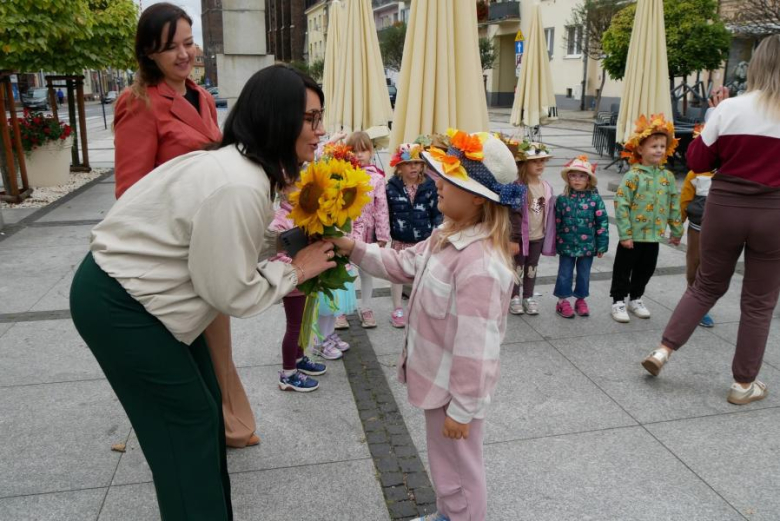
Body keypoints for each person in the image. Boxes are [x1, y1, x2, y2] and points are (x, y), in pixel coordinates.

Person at [69, 65, 336, 520]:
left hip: (134, 299)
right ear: (278, 119)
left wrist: (290, 240)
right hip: (121, 304)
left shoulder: (241, 167)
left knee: (206, 411)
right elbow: (231, 292)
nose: (321, 130)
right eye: (311, 119)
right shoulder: (238, 184)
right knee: (187, 425)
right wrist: (297, 271)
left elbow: (223, 242)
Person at [329, 130, 525, 521]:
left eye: (447, 180)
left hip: (455, 392)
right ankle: (448, 513)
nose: (436, 184)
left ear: (475, 198)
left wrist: (464, 409)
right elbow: (405, 264)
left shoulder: (481, 266)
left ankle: (464, 516)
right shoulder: (446, 234)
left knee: (462, 467)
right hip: (438, 381)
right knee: (443, 462)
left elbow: (478, 348)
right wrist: (355, 247)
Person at [112, 3, 257, 448]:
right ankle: (210, 421)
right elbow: (130, 190)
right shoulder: (137, 103)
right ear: (148, 53)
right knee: (183, 338)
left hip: (208, 236)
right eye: (169, 46)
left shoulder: (203, 96)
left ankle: (224, 417)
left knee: (216, 333)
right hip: (172, 243)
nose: (183, 53)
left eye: (188, 42)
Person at [641, 35, 780, 405]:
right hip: (774, 214)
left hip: (726, 208)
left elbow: (699, 162)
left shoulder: (731, 108)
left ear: (756, 65)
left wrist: (716, 121)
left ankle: (663, 351)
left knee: (705, 285)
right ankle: (743, 384)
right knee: (759, 301)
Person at [610, 114, 683, 323]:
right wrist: (625, 234)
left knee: (646, 270)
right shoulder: (633, 176)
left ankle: (636, 298)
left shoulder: (667, 177)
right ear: (640, 149)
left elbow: (673, 205)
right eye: (654, 146)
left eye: (662, 146)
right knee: (623, 269)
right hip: (632, 236)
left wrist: (677, 230)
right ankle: (618, 301)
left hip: (653, 236)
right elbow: (621, 204)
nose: (659, 150)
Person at [269, 187, 328, 392]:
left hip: (306, 278)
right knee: (294, 326)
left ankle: (299, 358)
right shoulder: (280, 220)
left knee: (302, 323)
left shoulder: (303, 215)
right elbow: (274, 255)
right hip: (294, 281)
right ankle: (288, 374)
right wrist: (300, 265)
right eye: (295, 188)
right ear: (284, 192)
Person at [385, 142, 442, 328]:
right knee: (396, 274)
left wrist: (437, 230)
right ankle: (397, 308)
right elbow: (385, 213)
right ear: (399, 167)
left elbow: (436, 211)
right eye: (409, 163)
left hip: (423, 239)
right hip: (400, 239)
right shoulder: (391, 187)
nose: (414, 167)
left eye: (417, 163)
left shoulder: (429, 186)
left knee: (423, 273)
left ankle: (421, 307)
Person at [344, 131, 390, 329]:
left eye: (363, 150)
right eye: (354, 151)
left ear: (371, 151)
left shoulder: (377, 178)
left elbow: (381, 207)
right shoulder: (342, 174)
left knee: (366, 270)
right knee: (344, 270)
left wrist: (382, 235)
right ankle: (341, 310)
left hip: (368, 231)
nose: (359, 155)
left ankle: (366, 307)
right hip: (346, 230)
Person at [553, 155, 609, 318]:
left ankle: (580, 299)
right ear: (568, 178)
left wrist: (602, 245)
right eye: (573, 175)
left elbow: (602, 223)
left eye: (582, 176)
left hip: (588, 246)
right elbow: (556, 222)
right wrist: (553, 242)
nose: (577, 179)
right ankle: (562, 301)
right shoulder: (562, 199)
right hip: (566, 244)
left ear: (588, 179)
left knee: (584, 274)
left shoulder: (595, 199)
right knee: (565, 273)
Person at [508, 141, 556, 316]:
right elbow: (515, 214)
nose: (540, 165)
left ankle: (528, 297)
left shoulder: (545, 187)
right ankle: (514, 296)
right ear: (524, 163)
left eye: (542, 161)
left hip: (537, 237)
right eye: (535, 161)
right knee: (517, 268)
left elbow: (537, 210)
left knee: (531, 268)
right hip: (520, 239)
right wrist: (513, 239)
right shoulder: (518, 187)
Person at [679, 153, 715, 327]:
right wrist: (677, 226)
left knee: (713, 269)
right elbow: (685, 200)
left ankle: (702, 304)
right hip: (698, 228)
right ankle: (693, 300)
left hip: (725, 231)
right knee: (694, 265)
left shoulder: (735, 173)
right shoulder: (697, 174)